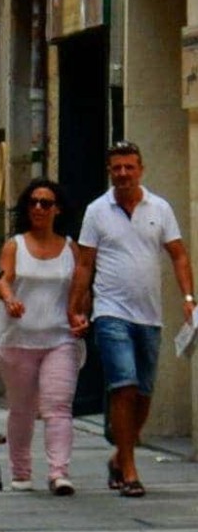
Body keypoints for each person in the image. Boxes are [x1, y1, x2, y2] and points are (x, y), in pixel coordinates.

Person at [68, 141, 194, 499]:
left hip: (149, 314)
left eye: (129, 167)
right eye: (117, 168)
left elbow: (179, 255)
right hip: (111, 311)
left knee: (144, 393)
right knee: (123, 385)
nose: (123, 173)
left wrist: (188, 298)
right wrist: (76, 307)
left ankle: (118, 457)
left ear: (141, 169)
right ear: (110, 171)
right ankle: (130, 469)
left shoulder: (160, 208)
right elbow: (85, 264)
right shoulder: (97, 211)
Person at [0, 179, 84, 495]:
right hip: (19, 339)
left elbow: (79, 290)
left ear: (57, 209)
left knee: (59, 405)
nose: (39, 208)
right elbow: (2, 278)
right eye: (33, 202)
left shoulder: (70, 248)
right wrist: (9, 299)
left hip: (59, 338)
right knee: (22, 409)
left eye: (46, 203)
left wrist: (80, 315)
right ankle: (21, 471)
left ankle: (59, 472)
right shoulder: (15, 245)